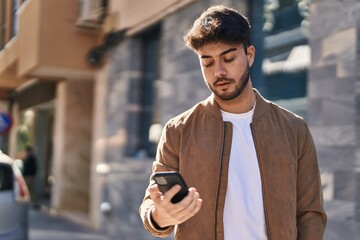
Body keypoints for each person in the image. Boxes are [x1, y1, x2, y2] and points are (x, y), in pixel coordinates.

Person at [139, 5, 327, 240]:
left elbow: (310, 213)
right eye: (207, 62)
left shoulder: (294, 129)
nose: (219, 71)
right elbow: (151, 204)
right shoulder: (179, 130)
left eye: (228, 58)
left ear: (249, 55)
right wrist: (160, 216)